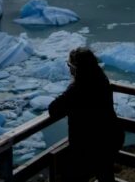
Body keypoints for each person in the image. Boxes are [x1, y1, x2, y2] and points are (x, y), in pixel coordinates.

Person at [48, 47, 123, 182]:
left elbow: (54, 109)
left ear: (77, 68)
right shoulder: (101, 80)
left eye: (69, 65)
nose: (69, 69)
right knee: (105, 173)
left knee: (76, 174)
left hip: (89, 145)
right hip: (110, 138)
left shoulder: (77, 89)